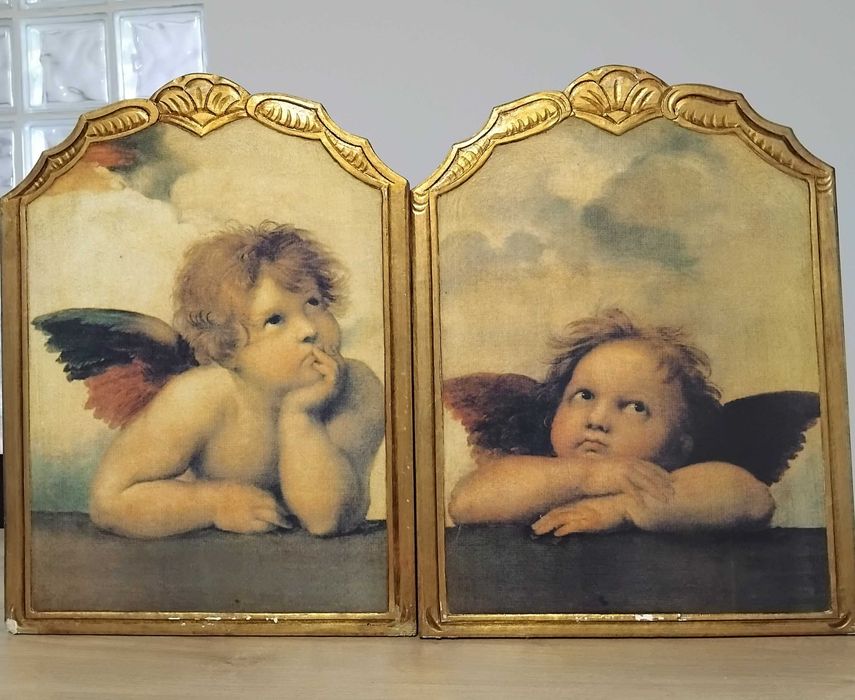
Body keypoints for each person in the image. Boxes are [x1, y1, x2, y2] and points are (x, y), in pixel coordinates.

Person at [88, 223, 385, 539]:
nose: (308, 329)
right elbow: (109, 501)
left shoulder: (357, 387)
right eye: (274, 320)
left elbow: (328, 520)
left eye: (313, 303)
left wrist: (301, 415)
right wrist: (214, 504)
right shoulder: (201, 397)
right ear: (227, 351)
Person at [447, 309, 774, 536]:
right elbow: (466, 502)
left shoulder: (675, 484)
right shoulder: (533, 475)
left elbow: (754, 499)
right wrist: (588, 477)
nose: (598, 420)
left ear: (678, 445)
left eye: (634, 407)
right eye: (584, 396)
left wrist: (622, 509)